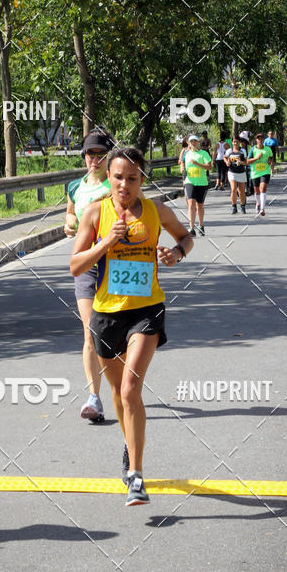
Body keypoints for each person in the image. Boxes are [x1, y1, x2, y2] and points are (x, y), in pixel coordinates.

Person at [70, 147, 193, 505]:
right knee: (116, 392)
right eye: (118, 177)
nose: (125, 184)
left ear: (142, 180)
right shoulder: (96, 213)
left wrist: (176, 253)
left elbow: (186, 237)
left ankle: (136, 476)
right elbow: (75, 266)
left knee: (129, 390)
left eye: (133, 178)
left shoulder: (157, 211)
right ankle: (130, 443)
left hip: (146, 310)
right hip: (106, 314)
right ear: (108, 177)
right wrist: (106, 241)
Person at [65, 129, 114, 423]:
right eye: (89, 154)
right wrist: (69, 223)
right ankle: (94, 397)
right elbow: (70, 214)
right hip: (86, 264)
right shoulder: (75, 187)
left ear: (108, 156)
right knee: (90, 331)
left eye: (100, 154)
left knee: (114, 332)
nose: (94, 159)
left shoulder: (118, 183)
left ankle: (123, 386)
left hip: (116, 265)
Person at [181, 135, 212, 236]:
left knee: (200, 205)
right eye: (191, 141)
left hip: (202, 182)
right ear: (189, 143)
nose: (193, 143)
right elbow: (182, 162)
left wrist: (197, 163)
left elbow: (209, 167)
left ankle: (201, 226)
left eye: (195, 141)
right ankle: (191, 228)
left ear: (198, 142)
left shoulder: (204, 153)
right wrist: (182, 168)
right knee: (191, 204)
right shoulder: (186, 153)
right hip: (189, 181)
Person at [246, 132, 273, 216]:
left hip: (265, 172)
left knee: (263, 188)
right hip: (255, 173)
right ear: (256, 140)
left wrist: (270, 161)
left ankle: (262, 208)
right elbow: (247, 161)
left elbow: (271, 157)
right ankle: (258, 203)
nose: (260, 140)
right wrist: (257, 158)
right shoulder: (253, 149)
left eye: (261, 138)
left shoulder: (268, 149)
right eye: (258, 138)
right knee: (256, 191)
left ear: (264, 140)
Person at [224, 138, 247, 214]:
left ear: (239, 142)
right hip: (232, 172)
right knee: (233, 189)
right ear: (232, 142)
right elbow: (225, 157)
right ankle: (234, 207)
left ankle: (242, 206)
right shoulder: (229, 151)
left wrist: (241, 162)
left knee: (241, 191)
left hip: (241, 172)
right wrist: (227, 162)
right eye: (234, 142)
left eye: (237, 142)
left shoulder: (242, 151)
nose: (235, 143)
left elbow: (246, 162)